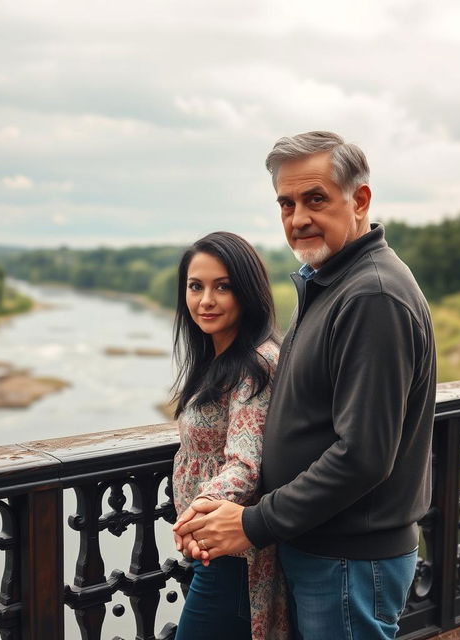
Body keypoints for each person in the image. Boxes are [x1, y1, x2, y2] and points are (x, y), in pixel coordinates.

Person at [174, 131, 437, 640]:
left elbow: (363, 455)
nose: (298, 218)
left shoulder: (371, 296)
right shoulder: (333, 283)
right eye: (286, 203)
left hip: (349, 555)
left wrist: (252, 524)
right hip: (324, 548)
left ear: (359, 200)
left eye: (315, 199)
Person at [171, 231, 290, 640]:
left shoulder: (255, 365)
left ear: (248, 292)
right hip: (212, 552)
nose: (206, 300)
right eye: (195, 286)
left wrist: (200, 508)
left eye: (223, 287)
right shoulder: (219, 358)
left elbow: (244, 462)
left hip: (234, 557)